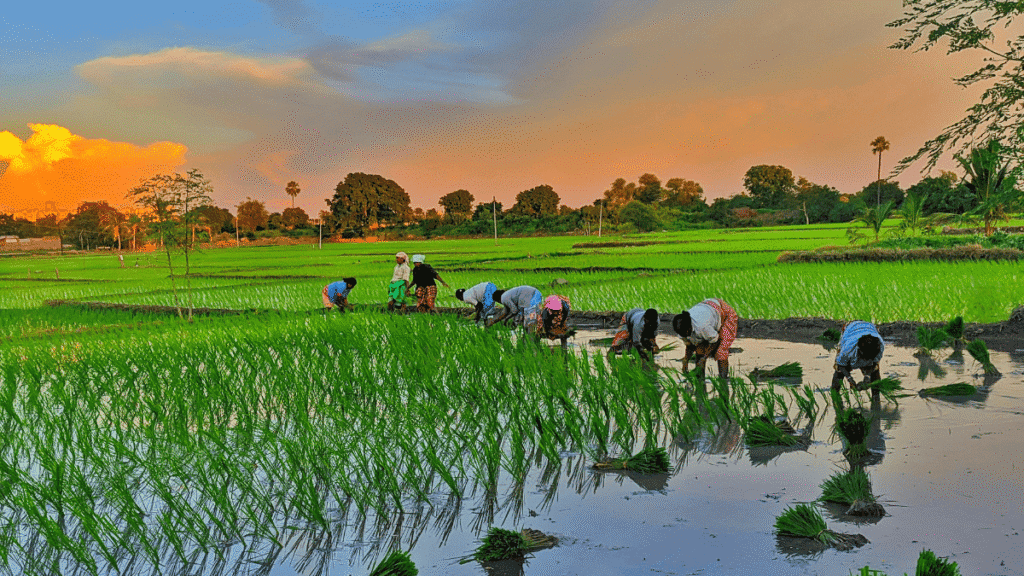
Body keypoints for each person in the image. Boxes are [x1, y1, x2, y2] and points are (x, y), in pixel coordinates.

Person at [672, 298, 738, 379]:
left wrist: (705, 357)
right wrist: (685, 361)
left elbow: (715, 340)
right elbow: (690, 345)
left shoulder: (702, 327)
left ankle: (723, 379)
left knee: (721, 351)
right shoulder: (682, 330)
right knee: (699, 351)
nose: (685, 336)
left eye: (686, 334)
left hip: (725, 313)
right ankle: (700, 379)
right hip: (708, 309)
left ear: (689, 328)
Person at [832, 321, 884, 398]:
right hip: (852, 329)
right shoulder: (847, 349)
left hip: (869, 327)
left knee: (875, 374)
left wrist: (867, 377)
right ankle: (835, 395)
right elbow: (841, 365)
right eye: (865, 357)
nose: (866, 361)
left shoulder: (879, 347)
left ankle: (876, 398)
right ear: (859, 350)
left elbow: (874, 363)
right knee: (839, 372)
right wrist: (850, 379)